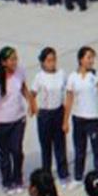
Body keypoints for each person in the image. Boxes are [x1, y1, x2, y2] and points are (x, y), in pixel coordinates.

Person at [0, 47, 37, 195]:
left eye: (16, 58)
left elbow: (23, 88)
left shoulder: (20, 71)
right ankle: (7, 181)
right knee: (4, 153)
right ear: (3, 62)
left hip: (18, 118)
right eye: (11, 59)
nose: (15, 62)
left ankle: (18, 179)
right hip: (1, 120)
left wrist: (31, 102)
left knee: (17, 151)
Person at [63, 46, 98, 187]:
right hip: (78, 118)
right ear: (81, 59)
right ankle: (78, 177)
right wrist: (65, 121)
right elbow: (69, 99)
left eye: (92, 57)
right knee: (79, 150)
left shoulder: (96, 75)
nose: (91, 60)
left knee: (97, 151)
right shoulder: (73, 77)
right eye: (88, 57)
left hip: (93, 118)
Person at [31, 48, 70, 187]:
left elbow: (67, 92)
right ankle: (46, 176)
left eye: (53, 59)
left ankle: (63, 174)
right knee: (46, 146)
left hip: (58, 112)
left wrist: (65, 116)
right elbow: (32, 94)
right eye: (48, 60)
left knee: (60, 145)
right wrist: (34, 109)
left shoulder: (61, 74)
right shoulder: (39, 77)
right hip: (45, 114)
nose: (52, 63)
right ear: (42, 62)